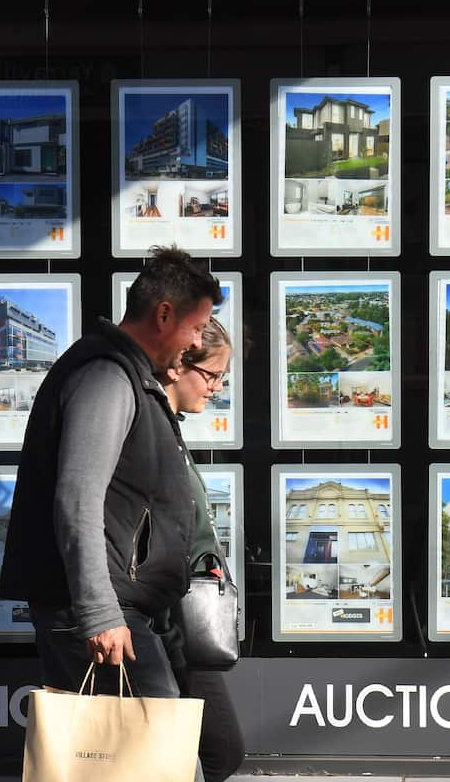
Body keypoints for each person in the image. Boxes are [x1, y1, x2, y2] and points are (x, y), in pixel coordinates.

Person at [0, 245, 222, 714]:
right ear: (164, 314)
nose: (195, 341)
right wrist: (100, 613)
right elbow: (77, 499)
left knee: (124, 759)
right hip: (102, 611)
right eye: (197, 327)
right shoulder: (107, 376)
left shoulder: (128, 374)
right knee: (159, 756)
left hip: (117, 606)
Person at [161, 318, 245, 782]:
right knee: (220, 751)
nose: (216, 387)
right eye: (212, 375)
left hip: (182, 621)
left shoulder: (170, 431)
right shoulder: (154, 432)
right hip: (170, 625)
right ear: (179, 366)